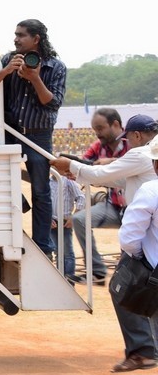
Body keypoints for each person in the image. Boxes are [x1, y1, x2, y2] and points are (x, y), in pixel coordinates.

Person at [0, 20, 67, 256]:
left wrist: (34, 77)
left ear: (36, 39)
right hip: (9, 132)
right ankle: (17, 202)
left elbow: (51, 102)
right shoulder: (9, 59)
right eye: (15, 34)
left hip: (38, 135)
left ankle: (43, 246)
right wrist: (7, 70)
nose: (16, 39)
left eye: (21, 35)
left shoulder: (55, 67)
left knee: (41, 190)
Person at [51, 114, 158, 283]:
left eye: (128, 139)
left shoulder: (140, 153)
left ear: (137, 135)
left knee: (132, 285)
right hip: (137, 214)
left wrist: (71, 166)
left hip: (142, 221)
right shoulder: (149, 155)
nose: (128, 144)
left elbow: (102, 174)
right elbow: (120, 179)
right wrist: (81, 174)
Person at [109, 136, 158, 373]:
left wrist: (138, 259)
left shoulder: (150, 190)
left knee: (122, 286)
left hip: (154, 273)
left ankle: (143, 349)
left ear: (155, 165)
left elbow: (128, 238)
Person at [70, 108, 130, 282]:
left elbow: (140, 161)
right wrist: (71, 168)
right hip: (114, 205)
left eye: (101, 128)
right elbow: (81, 164)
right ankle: (97, 271)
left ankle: (130, 276)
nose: (97, 133)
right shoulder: (98, 147)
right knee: (80, 220)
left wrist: (110, 162)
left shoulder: (132, 144)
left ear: (116, 124)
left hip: (135, 206)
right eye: (95, 129)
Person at [51, 175, 85, 281]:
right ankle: (61, 280)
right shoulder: (48, 181)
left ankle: (69, 281)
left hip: (65, 222)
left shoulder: (68, 181)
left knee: (67, 253)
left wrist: (74, 217)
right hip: (52, 222)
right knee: (57, 252)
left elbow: (81, 198)